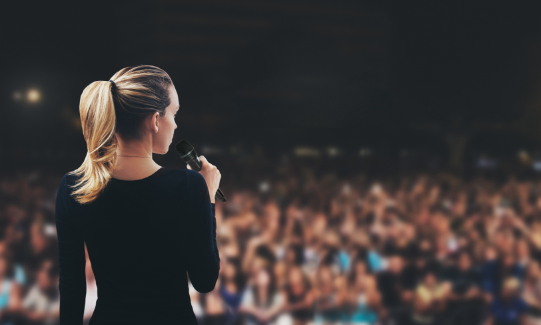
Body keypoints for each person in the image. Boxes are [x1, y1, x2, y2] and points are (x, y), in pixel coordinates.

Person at [54, 65, 222, 324]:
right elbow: (205, 280)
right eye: (173, 114)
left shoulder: (73, 187)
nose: (175, 124)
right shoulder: (188, 185)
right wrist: (207, 195)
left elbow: (71, 287)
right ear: (155, 120)